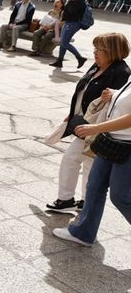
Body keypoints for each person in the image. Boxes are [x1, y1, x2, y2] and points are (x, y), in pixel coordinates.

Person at [46, 33, 130, 214]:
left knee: (72, 158)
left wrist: (99, 124)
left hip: (99, 127)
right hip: (85, 121)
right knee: (87, 163)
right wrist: (72, 114)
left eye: (99, 49)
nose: (95, 52)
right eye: (95, 48)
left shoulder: (121, 72)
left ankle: (66, 199)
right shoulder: (97, 66)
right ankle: (84, 201)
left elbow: (120, 103)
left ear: (111, 51)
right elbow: (83, 91)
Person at [53, 75, 131, 247]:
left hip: (127, 146)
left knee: (121, 197)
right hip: (111, 141)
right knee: (94, 186)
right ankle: (83, 232)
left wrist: (96, 128)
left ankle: (84, 231)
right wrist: (116, 94)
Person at [50, 0, 89, 69]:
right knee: (63, 42)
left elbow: (72, 12)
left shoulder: (79, 0)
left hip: (74, 23)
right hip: (68, 22)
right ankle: (59, 61)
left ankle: (80, 58)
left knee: (64, 42)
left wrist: (69, 3)